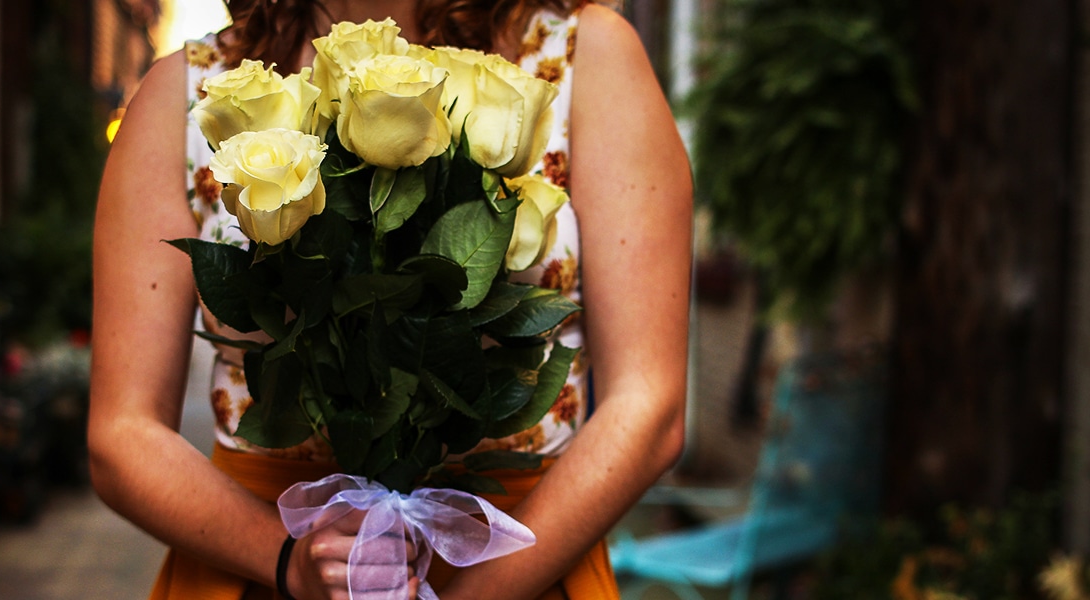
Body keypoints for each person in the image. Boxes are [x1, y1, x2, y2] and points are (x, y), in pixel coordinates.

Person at [89, 0, 693, 598]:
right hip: (260, 564)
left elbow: (649, 405)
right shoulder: (191, 93)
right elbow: (123, 434)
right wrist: (287, 563)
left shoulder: (582, 59)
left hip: (518, 560)